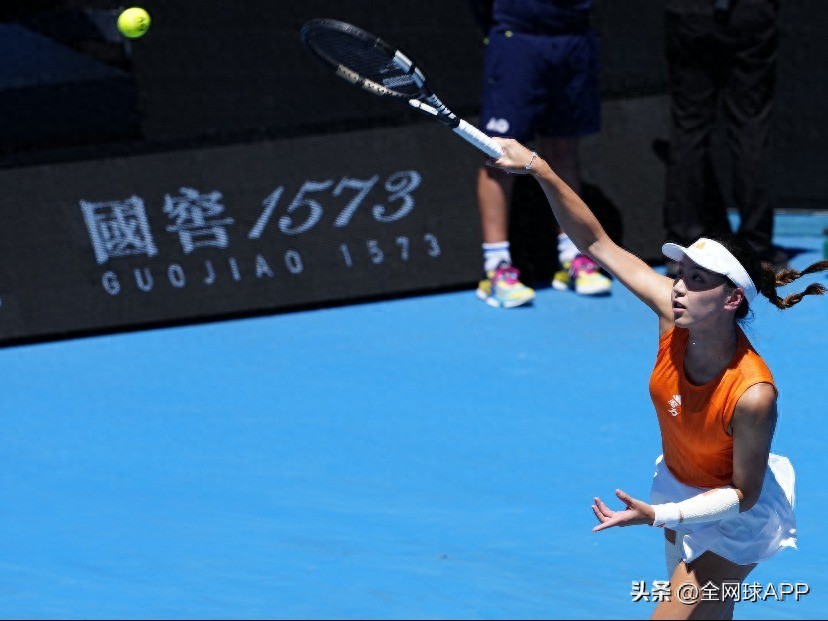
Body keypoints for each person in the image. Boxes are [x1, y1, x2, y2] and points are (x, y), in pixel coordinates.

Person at [488, 137, 828, 619]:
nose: (680, 289)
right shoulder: (672, 311)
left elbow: (744, 495)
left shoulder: (753, 394)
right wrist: (540, 169)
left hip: (731, 518)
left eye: (698, 280)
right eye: (681, 273)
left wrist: (659, 516)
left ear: (732, 300)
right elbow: (596, 244)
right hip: (677, 486)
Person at [469, 0, 611, 308]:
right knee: (497, 154)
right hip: (516, 35)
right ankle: (496, 268)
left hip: (573, 35)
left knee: (564, 149)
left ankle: (573, 257)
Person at [662, 0, 786, 276]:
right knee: (750, 125)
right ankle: (756, 246)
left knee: (689, 126)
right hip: (749, 11)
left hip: (692, 14)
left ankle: (684, 245)